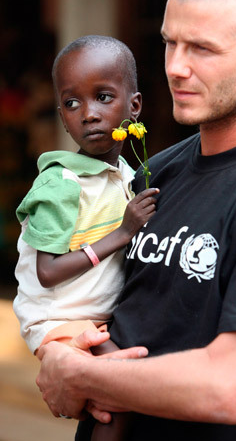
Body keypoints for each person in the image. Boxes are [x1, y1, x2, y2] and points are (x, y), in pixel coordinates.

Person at [36, 0, 236, 441]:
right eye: (170, 42)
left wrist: (80, 376)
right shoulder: (154, 172)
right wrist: (55, 350)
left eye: (203, 49)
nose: (175, 67)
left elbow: (227, 388)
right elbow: (86, 299)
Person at [13, 35, 159, 440]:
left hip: (94, 316)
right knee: (121, 387)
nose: (89, 114)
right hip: (58, 318)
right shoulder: (61, 183)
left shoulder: (127, 175)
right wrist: (123, 232)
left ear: (134, 106)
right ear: (61, 114)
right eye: (72, 103)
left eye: (103, 97)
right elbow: (47, 271)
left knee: (108, 403)